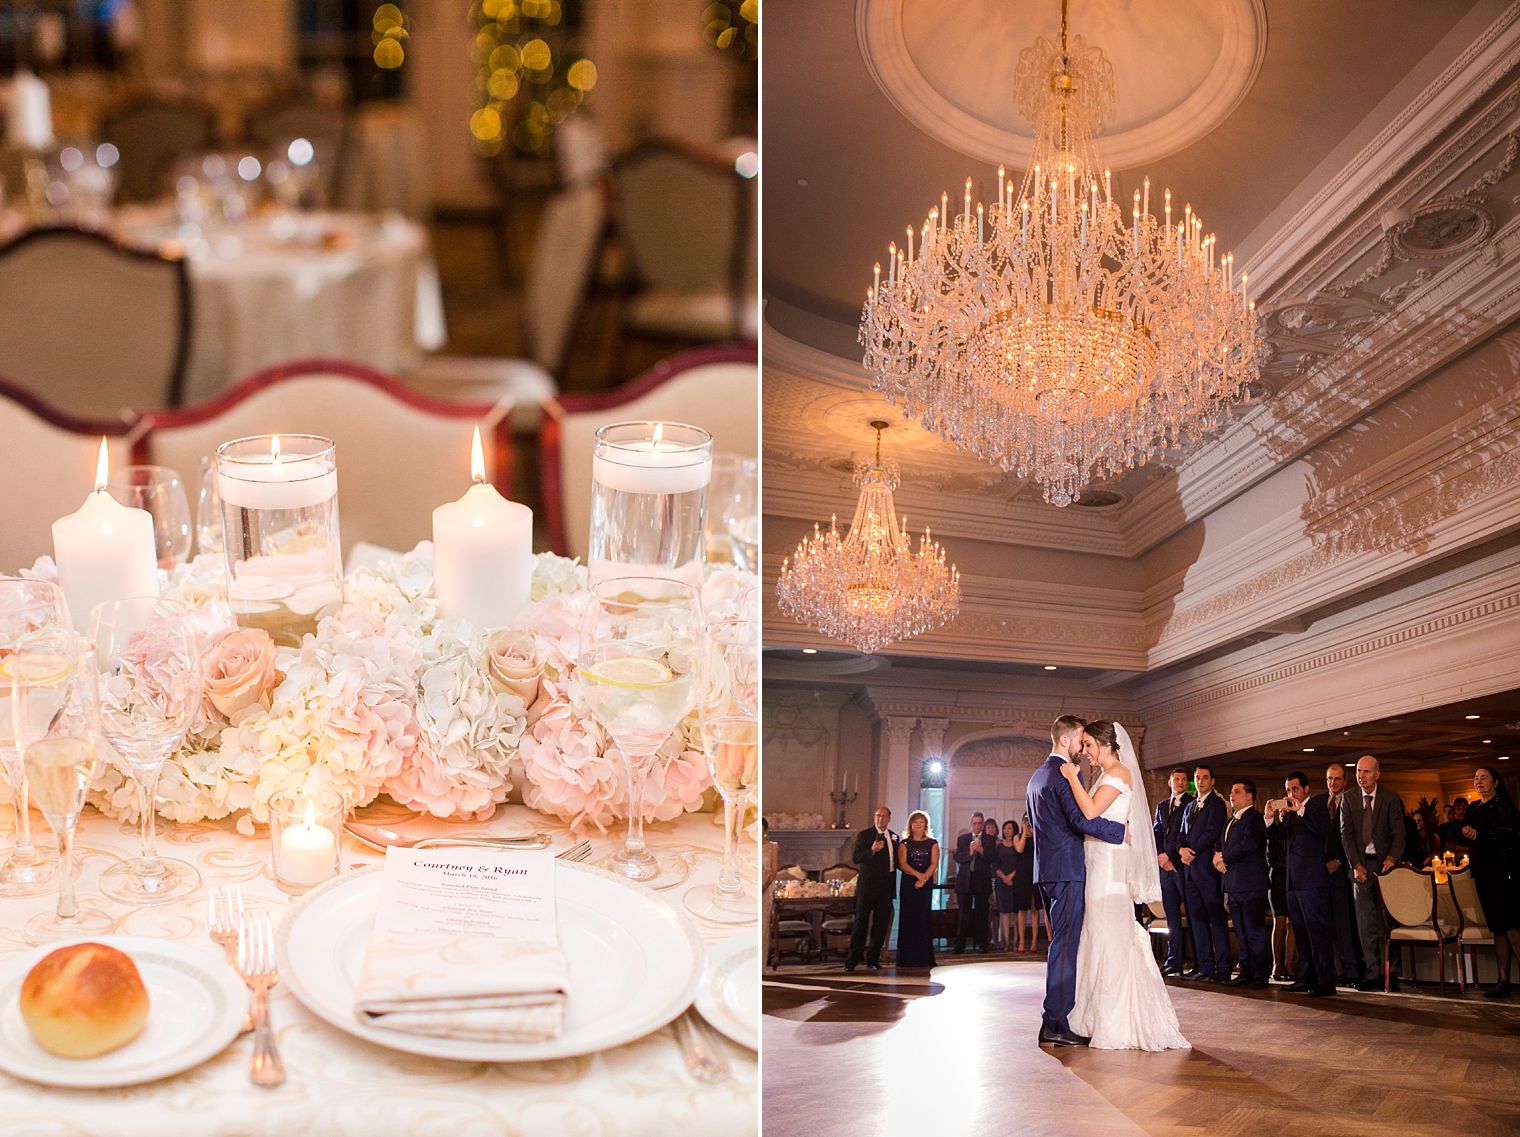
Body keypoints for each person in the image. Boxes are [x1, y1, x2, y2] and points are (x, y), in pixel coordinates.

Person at [1057, 720, 1189, 1051]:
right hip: (1100, 862)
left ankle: (1117, 1022)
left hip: (1111, 869)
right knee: (1098, 935)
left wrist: (1072, 778)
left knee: (1109, 937)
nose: (1084, 752)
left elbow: (1089, 812)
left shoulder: (1117, 775)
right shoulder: (1106, 775)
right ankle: (1095, 1016)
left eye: (1088, 745)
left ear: (1106, 745)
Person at [1027, 715, 1128, 1046]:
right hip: (1068, 872)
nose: (1083, 747)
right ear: (1065, 741)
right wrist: (1120, 832)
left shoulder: (1037, 776)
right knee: (1065, 946)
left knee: (1062, 943)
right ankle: (1054, 1021)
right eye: (1081, 740)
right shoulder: (1061, 775)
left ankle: (1056, 1018)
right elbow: (1081, 819)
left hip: (1046, 871)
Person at [1337, 755, 1406, 991]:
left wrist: (1391, 859)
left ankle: (1392, 973)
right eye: (1358, 771)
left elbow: (1399, 834)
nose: (1361, 776)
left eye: (1366, 772)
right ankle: (1372, 972)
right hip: (1360, 867)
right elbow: (1346, 836)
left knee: (1387, 922)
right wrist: (1356, 865)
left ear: (1377, 774)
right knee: (1364, 923)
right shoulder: (1348, 798)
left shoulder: (1390, 798)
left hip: (1385, 867)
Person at [1266, 771, 1335, 997]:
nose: (1291, 794)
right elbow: (1279, 837)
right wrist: (1269, 818)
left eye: (1295, 789)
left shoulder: (1316, 807)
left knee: (1318, 932)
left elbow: (1321, 830)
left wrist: (1301, 810)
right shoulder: (1291, 815)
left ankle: (1325, 982)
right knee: (1301, 933)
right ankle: (1306, 977)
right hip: (1293, 881)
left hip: (1312, 880)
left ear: (1306, 789)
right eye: (1288, 790)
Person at [1463, 767, 1519, 998]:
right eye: (1476, 778)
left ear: (1495, 782)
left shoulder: (1502, 804)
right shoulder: (1475, 807)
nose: (1478, 782)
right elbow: (1462, 832)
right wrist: (1465, 832)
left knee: (1512, 926)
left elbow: (1507, 833)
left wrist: (1479, 835)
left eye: (1483, 778)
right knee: (1497, 927)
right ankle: (1502, 979)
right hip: (1484, 874)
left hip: (1502, 874)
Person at [1213, 779, 1270, 987]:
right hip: (1233, 883)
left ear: (1249, 796)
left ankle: (1260, 973)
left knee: (1254, 929)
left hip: (1251, 883)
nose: (1232, 795)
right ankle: (1246, 970)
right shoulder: (1230, 821)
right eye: (1231, 792)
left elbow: (1248, 845)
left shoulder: (1254, 818)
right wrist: (1216, 858)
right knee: (1240, 930)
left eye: (1237, 792)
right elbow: (1219, 846)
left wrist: (1224, 858)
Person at [1178, 764, 1230, 981]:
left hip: (1207, 870)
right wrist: (1181, 849)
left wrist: (1193, 850)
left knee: (1215, 920)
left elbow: (1212, 833)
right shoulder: (1189, 806)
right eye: (1197, 778)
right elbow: (1181, 831)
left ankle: (1224, 968)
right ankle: (1205, 967)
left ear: (1212, 781)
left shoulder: (1216, 804)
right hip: (1190, 870)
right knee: (1197, 920)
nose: (1200, 781)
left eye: (1205, 778)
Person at [845, 805, 898, 972]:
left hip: (886, 887)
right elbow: (856, 858)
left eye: (883, 816)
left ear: (889, 818)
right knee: (860, 923)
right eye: (877, 816)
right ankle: (852, 961)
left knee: (880, 924)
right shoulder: (865, 835)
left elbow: (897, 861)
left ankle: (873, 959)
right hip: (867, 887)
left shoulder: (894, 837)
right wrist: (872, 851)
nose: (880, 819)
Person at [1323, 763, 1362, 987]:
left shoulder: (1351, 801)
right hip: (1320, 872)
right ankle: (1334, 969)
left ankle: (1352, 971)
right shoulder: (1320, 802)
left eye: (1337, 779)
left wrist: (1338, 860)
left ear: (1345, 781)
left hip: (1343, 870)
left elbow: (1352, 837)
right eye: (1329, 778)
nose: (1333, 783)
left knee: (1345, 922)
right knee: (1327, 924)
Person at [1153, 766, 1193, 976]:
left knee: (1193, 914)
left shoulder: (1191, 803)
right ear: (1169, 782)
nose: (1179, 782)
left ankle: (1198, 962)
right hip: (1165, 868)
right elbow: (1157, 832)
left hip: (1181, 866)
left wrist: (1170, 856)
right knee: (1172, 917)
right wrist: (1160, 856)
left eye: (1183, 779)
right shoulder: (1161, 806)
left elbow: (1183, 834)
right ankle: (1173, 961)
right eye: (1176, 779)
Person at [896, 809, 940, 969]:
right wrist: (918, 876)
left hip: (925, 885)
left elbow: (934, 863)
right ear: (911, 825)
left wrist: (924, 878)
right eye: (915, 822)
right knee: (908, 918)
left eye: (921, 822)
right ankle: (907, 959)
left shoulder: (932, 843)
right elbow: (902, 864)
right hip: (909, 884)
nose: (918, 825)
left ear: (925, 824)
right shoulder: (904, 843)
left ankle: (924, 958)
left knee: (923, 918)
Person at [953, 810, 994, 953]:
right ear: (971, 824)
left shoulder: (990, 839)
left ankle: (982, 944)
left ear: (982, 824)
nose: (977, 826)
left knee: (981, 913)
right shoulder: (963, 839)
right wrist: (970, 853)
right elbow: (957, 857)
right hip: (965, 882)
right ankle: (960, 945)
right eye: (974, 823)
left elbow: (992, 859)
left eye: (979, 823)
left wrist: (981, 850)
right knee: (963, 914)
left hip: (982, 882)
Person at [1265, 813, 1296, 981]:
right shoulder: (1273, 830)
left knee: (1292, 923)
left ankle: (1289, 963)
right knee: (1279, 922)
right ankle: (1277, 964)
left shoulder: (1296, 829)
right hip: (1277, 877)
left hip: (1294, 877)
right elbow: (1269, 856)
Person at [1009, 817, 1037, 952]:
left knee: (1034, 908)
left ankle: (1034, 942)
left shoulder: (1038, 835)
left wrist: (1034, 831)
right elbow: (1019, 849)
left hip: (1035, 874)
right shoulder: (1017, 837)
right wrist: (1024, 831)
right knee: (1022, 909)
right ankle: (1021, 941)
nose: (1028, 823)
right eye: (1025, 821)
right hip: (1022, 876)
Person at [995, 819, 1022, 951]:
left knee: (1016, 913)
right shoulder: (998, 846)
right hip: (1002, 882)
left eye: (1010, 828)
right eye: (1005, 828)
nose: (1007, 830)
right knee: (1004, 912)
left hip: (1016, 881)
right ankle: (1005, 942)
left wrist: (1011, 876)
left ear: (1014, 830)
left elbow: (1020, 863)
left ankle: (1016, 941)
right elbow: (995, 865)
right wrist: (1004, 877)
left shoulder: (1017, 846)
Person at [984, 817, 1002, 947]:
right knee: (986, 911)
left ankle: (997, 938)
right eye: (988, 827)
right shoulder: (982, 842)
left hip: (997, 878)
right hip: (985, 878)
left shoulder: (999, 843)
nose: (991, 829)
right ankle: (987, 938)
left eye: (993, 827)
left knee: (996, 910)